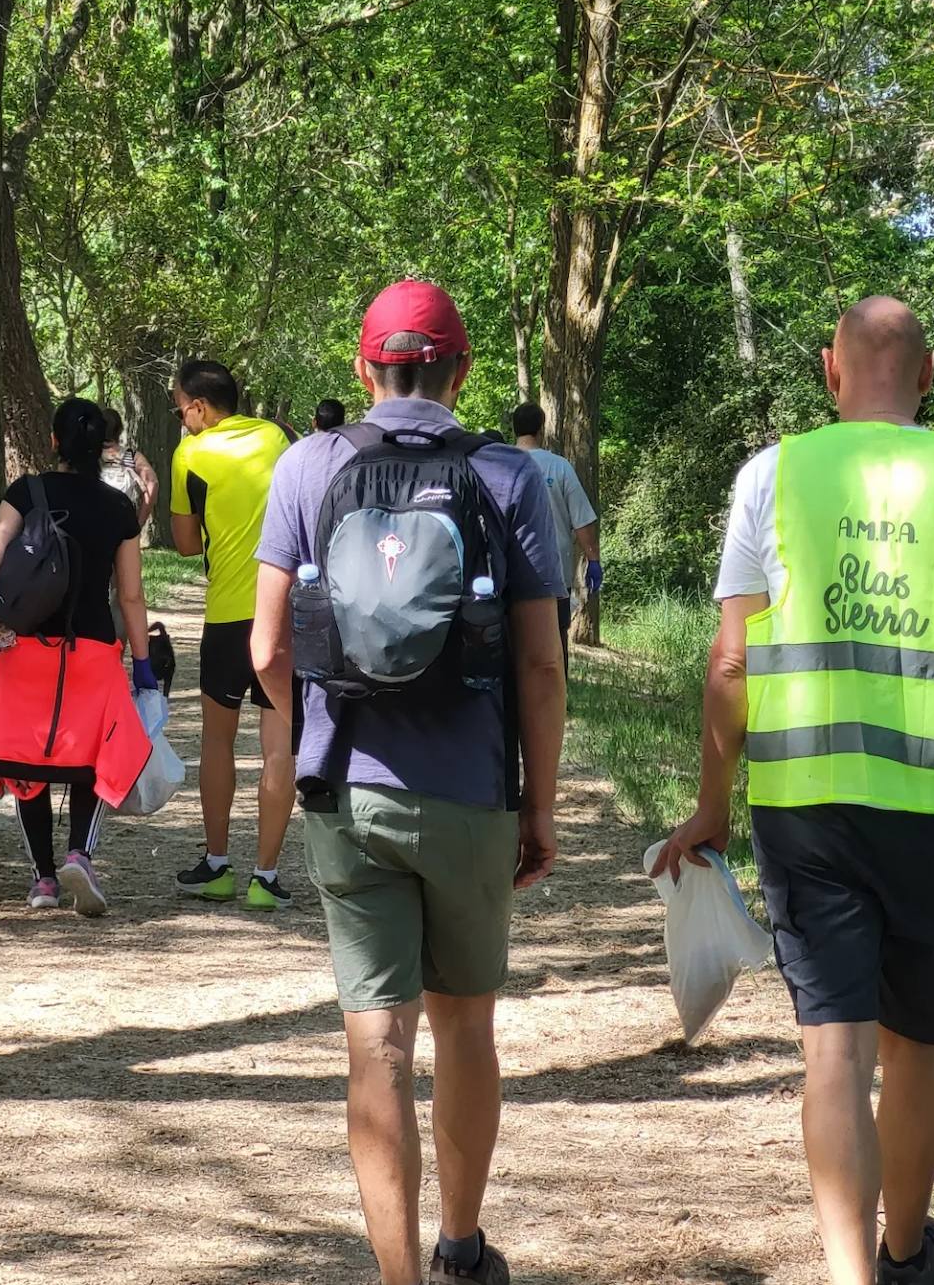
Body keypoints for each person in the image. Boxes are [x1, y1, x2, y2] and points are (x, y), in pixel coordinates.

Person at [652, 297, 934, 1285]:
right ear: (927, 375)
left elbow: (730, 665)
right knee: (918, 1050)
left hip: (808, 811)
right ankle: (903, 1254)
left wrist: (713, 806)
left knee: (835, 1055)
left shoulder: (772, 475)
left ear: (829, 370)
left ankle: (852, 1274)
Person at [252, 279, 568, 1285]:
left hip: (347, 787)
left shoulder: (308, 467)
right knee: (465, 1023)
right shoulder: (509, 476)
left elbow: (266, 648)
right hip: (472, 790)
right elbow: (541, 666)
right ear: (461, 370)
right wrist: (542, 803)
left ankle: (395, 1276)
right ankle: (462, 1253)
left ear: (363, 367)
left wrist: (303, 742)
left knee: (376, 1043)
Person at [0, 398, 157, 916]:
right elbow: (131, 596)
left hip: (24, 647)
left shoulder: (26, 492)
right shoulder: (118, 509)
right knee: (93, 758)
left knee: (27, 763)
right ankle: (80, 856)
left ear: (53, 441)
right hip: (92, 651)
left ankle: (44, 881)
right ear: (104, 448)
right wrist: (143, 666)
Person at [170, 359, 296, 910]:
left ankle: (217, 865)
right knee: (278, 747)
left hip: (225, 617)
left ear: (197, 407)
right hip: (284, 615)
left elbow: (185, 544)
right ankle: (265, 878)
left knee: (217, 741)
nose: (181, 419)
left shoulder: (189, 455)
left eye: (180, 408)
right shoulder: (279, 437)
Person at [511, 402, 601, 669]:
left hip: (511, 571)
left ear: (514, 428)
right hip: (555, 574)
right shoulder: (559, 468)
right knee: (555, 642)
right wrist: (593, 560)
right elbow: (582, 519)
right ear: (542, 429)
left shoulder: (501, 462)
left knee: (513, 639)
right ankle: (556, 700)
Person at [100, 407, 160, 528]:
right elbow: (152, 483)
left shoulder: (89, 455)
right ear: (120, 430)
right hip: (124, 523)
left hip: (95, 522)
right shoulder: (132, 456)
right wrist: (139, 523)